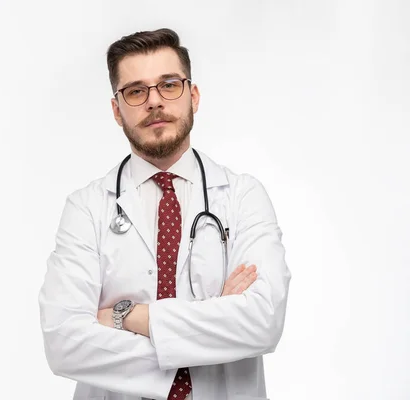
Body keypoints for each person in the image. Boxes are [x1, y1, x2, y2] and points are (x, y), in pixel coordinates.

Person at [38, 28, 291, 400]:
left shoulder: (242, 196)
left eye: (169, 84)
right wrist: (213, 321)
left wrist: (126, 316)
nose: (154, 102)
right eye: (136, 91)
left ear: (194, 96)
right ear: (116, 109)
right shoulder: (86, 208)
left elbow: (262, 322)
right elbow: (64, 342)